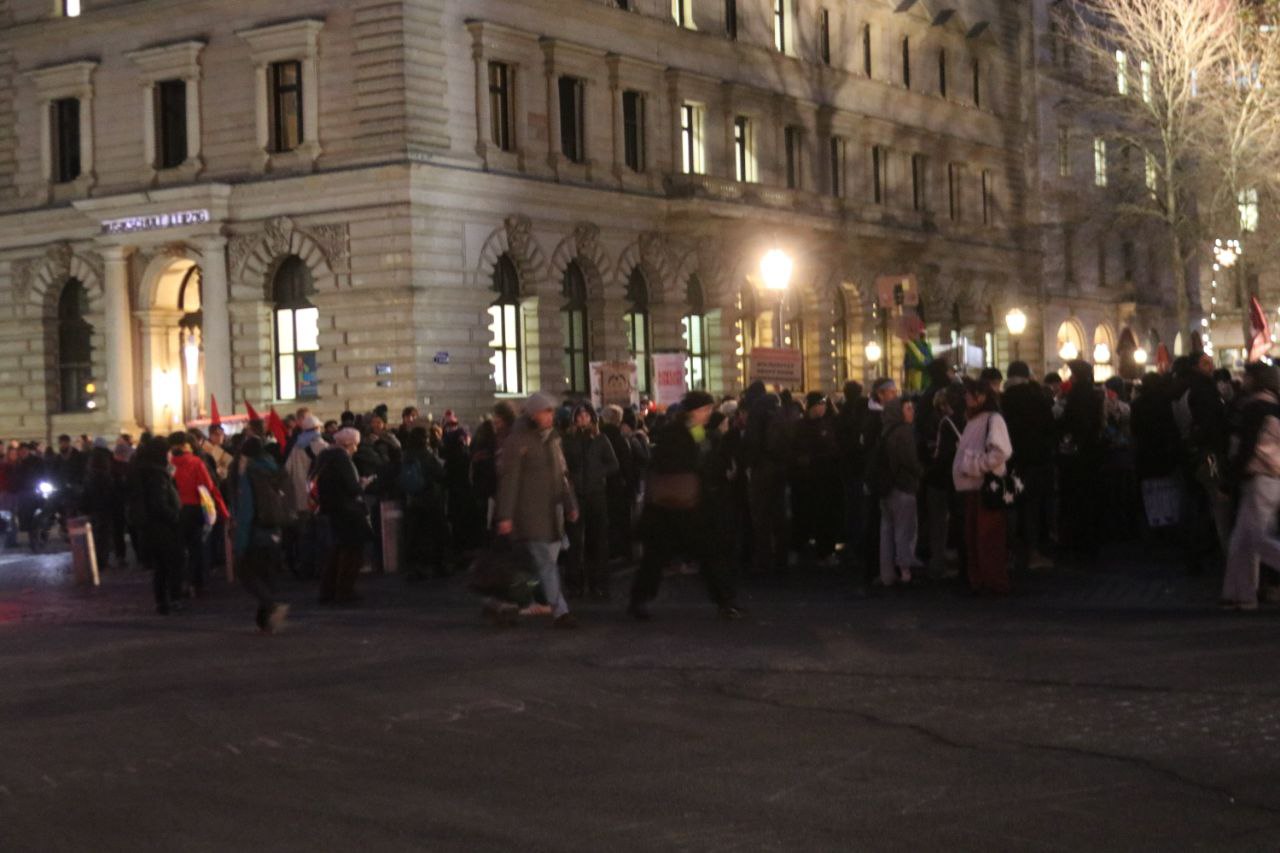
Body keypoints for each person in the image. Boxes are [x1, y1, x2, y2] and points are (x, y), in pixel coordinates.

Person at [628, 390, 743, 621]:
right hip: (674, 506)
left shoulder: (697, 431)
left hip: (687, 506)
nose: (710, 413)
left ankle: (725, 601)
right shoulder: (675, 433)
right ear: (695, 411)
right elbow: (681, 462)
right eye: (706, 409)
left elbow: (703, 458)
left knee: (703, 554)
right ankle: (639, 601)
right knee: (661, 557)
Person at [494, 392, 580, 629]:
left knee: (534, 566)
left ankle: (503, 602)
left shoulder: (552, 439)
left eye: (551, 411)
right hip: (530, 514)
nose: (551, 415)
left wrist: (570, 503)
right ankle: (560, 611)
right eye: (546, 411)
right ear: (533, 414)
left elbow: (562, 475)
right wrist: (506, 515)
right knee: (546, 565)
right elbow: (509, 481)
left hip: (553, 515)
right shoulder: (518, 441)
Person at [1221, 363, 1280, 611]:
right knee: (1243, 538)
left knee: (1255, 537)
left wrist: (1230, 478)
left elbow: (1246, 447)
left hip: (1260, 474)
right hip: (1270, 474)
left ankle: (1241, 593)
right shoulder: (1273, 406)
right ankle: (1241, 594)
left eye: (1247, 376)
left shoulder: (1254, 407)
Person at [953, 378, 1013, 594]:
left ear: (982, 397)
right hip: (971, 487)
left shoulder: (993, 420)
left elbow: (1001, 452)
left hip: (983, 488)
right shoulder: (973, 419)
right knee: (974, 537)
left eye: (971, 393)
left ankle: (992, 580)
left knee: (987, 537)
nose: (966, 397)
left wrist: (974, 465)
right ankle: (979, 579)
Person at [230, 436, 290, 632]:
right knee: (266, 573)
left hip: (257, 529)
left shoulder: (250, 474)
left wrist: (239, 543)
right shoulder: (274, 468)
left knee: (246, 571)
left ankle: (271, 606)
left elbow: (246, 510)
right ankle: (266, 621)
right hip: (275, 527)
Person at [1002, 361, 1056, 571]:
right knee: (1031, 507)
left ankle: (1011, 553)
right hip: (1035, 461)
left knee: (1011, 506)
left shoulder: (1003, 400)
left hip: (1010, 462)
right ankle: (1032, 553)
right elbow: (1050, 428)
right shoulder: (1038, 399)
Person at [562, 403, 619, 598]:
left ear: (592, 419)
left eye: (586, 415)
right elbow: (563, 465)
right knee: (575, 541)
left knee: (598, 540)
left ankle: (598, 582)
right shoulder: (569, 440)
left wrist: (597, 474)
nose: (583, 419)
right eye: (580, 415)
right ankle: (575, 583)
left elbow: (613, 464)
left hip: (596, 494)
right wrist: (571, 477)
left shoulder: (601, 439)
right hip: (576, 494)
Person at [316, 428, 373, 604]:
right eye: (355, 444)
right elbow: (351, 486)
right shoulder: (342, 459)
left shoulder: (325, 456)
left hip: (333, 508)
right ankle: (344, 590)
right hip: (348, 511)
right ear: (348, 444)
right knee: (352, 551)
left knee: (338, 550)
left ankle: (328, 590)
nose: (356, 449)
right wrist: (362, 484)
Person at [169, 431, 228, 597]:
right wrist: (222, 510)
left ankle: (182, 582)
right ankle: (198, 583)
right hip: (195, 510)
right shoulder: (196, 462)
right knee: (198, 548)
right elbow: (209, 488)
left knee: (180, 549)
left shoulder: (170, 464)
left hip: (176, 510)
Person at [130, 437, 184, 614]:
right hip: (163, 528)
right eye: (168, 452)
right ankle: (173, 600)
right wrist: (174, 515)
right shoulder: (156, 475)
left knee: (160, 567)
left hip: (150, 529)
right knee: (171, 564)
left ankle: (161, 601)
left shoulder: (145, 471)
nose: (170, 455)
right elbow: (159, 503)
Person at [790, 391, 841, 566]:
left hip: (825, 478)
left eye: (824, 404)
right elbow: (795, 450)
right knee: (802, 516)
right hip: (805, 479)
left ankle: (825, 552)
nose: (823, 408)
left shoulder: (827, 425)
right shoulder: (800, 426)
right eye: (820, 404)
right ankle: (798, 549)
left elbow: (834, 449)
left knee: (825, 517)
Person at [877, 398, 923, 586]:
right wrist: (921, 472)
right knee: (905, 531)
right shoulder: (903, 432)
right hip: (903, 486)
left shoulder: (885, 430)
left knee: (887, 531)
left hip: (885, 487)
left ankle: (887, 573)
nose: (912, 412)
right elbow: (909, 460)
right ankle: (906, 571)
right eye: (908, 408)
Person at [923, 388, 963, 578]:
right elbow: (939, 454)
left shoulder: (937, 420)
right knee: (940, 522)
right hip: (942, 478)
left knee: (939, 522)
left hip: (939, 477)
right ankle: (939, 562)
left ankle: (939, 561)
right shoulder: (944, 423)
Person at [282, 414, 327, 577]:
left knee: (304, 534)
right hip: (319, 498)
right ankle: (320, 566)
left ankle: (305, 566)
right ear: (317, 429)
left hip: (300, 498)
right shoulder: (322, 446)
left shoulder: (295, 448)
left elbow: (287, 472)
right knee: (320, 534)